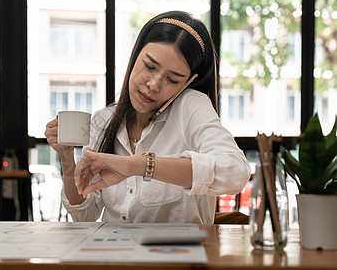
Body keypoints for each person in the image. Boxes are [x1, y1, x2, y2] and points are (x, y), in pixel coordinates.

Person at [45, 11, 251, 224]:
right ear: (135, 55)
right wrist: (67, 156)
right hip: (117, 254)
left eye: (172, 79)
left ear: (187, 83)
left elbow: (235, 171)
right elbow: (85, 215)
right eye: (150, 66)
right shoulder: (103, 121)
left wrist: (138, 165)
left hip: (177, 256)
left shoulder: (190, 106)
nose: (153, 84)